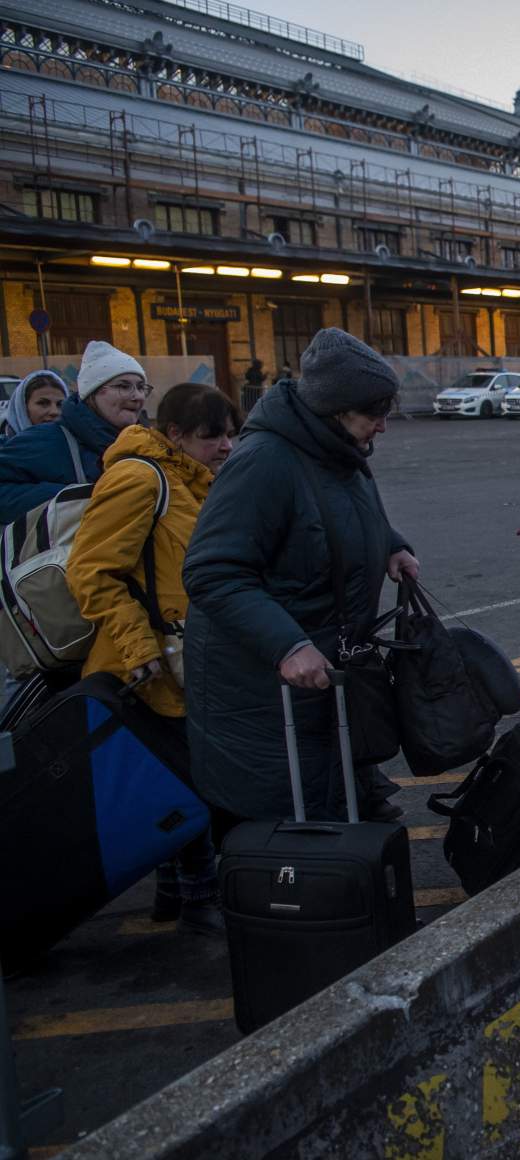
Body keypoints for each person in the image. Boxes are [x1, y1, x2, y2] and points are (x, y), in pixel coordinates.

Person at [182, 328, 417, 836]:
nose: (383, 427)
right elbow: (213, 571)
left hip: (324, 676)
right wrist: (287, 645)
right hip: (264, 690)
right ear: (335, 408)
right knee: (293, 826)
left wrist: (391, 544)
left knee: (334, 811)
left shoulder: (337, 450)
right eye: (374, 414)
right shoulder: (265, 461)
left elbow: (342, 514)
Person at [67, 382, 240, 937]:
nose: (226, 446)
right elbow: (90, 573)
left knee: (180, 775)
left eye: (231, 434)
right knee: (189, 778)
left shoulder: (193, 481)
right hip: (143, 665)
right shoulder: (139, 478)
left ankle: (175, 894)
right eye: (213, 436)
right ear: (174, 435)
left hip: (184, 660)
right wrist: (139, 646)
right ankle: (198, 898)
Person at [0, 341, 147, 523]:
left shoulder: (145, 445)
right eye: (124, 386)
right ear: (92, 394)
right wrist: (71, 500)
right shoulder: (48, 440)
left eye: (141, 387)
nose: (137, 396)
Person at [2, 369, 68, 440]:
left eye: (60, 404)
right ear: (23, 408)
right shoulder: (5, 449)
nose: (54, 411)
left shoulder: (75, 447)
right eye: (43, 403)